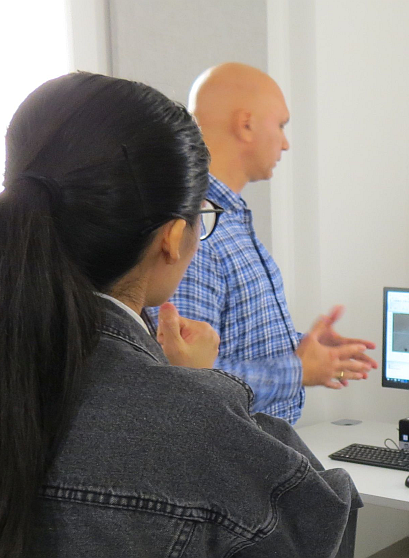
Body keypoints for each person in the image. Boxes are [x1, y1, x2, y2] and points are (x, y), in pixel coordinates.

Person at [0, 72, 360, 558]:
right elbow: (322, 529)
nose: (288, 142)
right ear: (172, 238)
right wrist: (200, 392)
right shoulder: (191, 425)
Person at [152, 62, 376, 424]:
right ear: (246, 124)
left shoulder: (228, 217)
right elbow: (185, 376)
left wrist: (302, 349)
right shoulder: (198, 230)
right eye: (281, 125)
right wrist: (297, 369)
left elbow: (231, 342)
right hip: (233, 465)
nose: (286, 143)